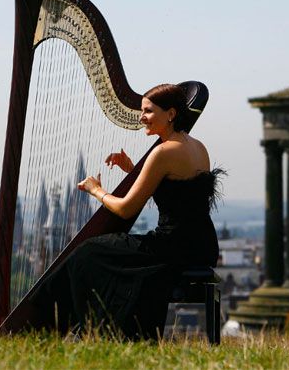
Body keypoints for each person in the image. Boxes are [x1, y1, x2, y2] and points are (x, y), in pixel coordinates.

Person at [31, 83, 222, 339]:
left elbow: (126, 209)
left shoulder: (162, 152)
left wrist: (95, 189)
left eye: (148, 111)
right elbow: (177, 195)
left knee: (87, 253)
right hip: (202, 246)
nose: (141, 117)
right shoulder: (197, 146)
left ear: (171, 114)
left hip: (172, 247)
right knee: (100, 253)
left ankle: (69, 328)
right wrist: (133, 169)